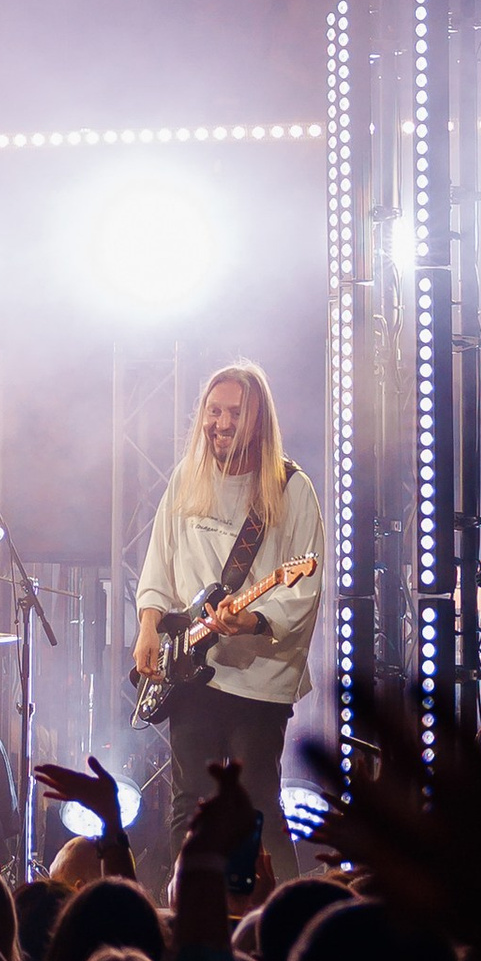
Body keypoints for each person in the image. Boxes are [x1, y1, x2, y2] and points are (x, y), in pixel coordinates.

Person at [134, 358, 324, 884]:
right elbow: (159, 563)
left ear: (259, 421)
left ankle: (279, 922)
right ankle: (188, 916)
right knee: (189, 801)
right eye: (212, 411)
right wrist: (150, 625)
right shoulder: (186, 479)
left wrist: (254, 620)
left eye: (233, 413)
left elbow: (305, 586)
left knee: (256, 805)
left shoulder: (291, 488)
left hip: (260, 679)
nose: (219, 423)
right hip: (191, 666)